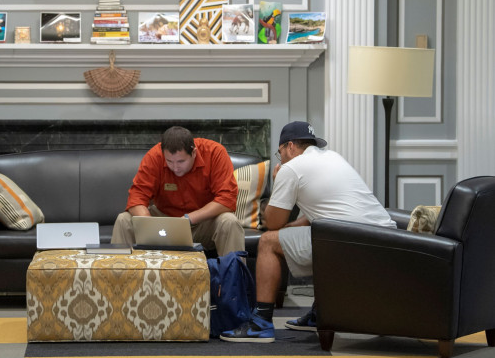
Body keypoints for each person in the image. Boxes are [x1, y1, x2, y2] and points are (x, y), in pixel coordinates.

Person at [220, 121, 396, 343]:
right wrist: (291, 228)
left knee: (267, 242)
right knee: (310, 235)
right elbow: (320, 215)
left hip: (351, 243)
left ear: (290, 146)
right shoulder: (333, 158)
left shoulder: (291, 168)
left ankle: (260, 324)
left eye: (280, 152)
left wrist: (277, 182)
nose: (280, 158)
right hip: (384, 242)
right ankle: (318, 314)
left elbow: (272, 223)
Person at [111, 126, 244, 257]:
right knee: (124, 220)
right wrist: (149, 225)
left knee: (230, 222)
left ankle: (233, 277)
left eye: (181, 161)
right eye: (169, 161)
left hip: (203, 223)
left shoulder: (215, 152)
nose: (175, 168)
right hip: (164, 221)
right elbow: (137, 196)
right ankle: (118, 276)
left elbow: (227, 199)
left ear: (194, 152)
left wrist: (188, 219)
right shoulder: (154, 155)